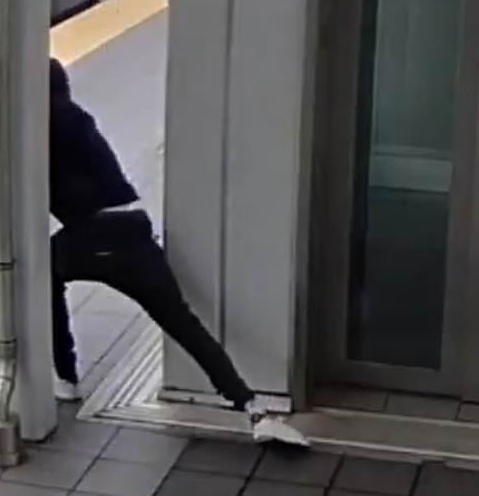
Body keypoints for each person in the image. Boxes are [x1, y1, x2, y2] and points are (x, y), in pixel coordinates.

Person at [40, 58, 308, 446]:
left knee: (41, 272)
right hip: (133, 226)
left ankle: (65, 375)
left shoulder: (52, 121)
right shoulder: (75, 117)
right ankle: (251, 407)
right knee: (182, 321)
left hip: (98, 232)